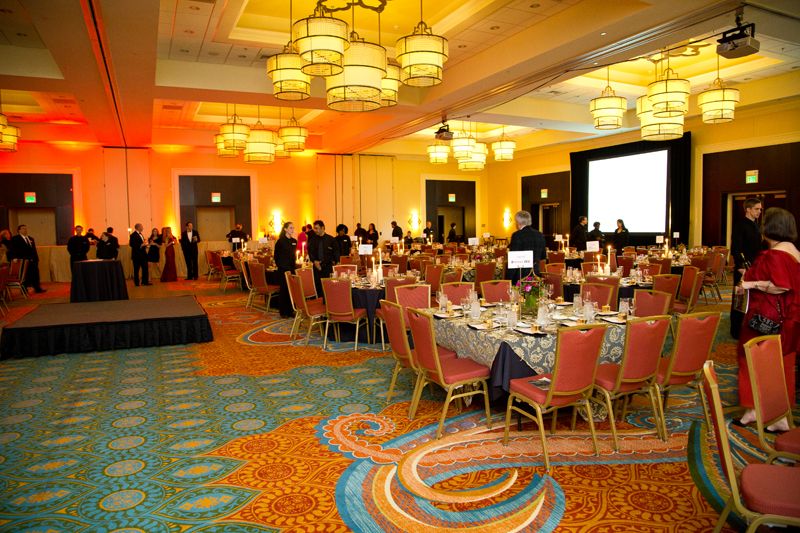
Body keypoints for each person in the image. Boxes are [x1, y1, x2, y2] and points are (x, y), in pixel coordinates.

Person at [734, 207, 799, 432]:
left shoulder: (775, 254)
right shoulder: (793, 251)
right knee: (781, 364)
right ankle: (777, 413)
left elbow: (781, 285)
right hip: (788, 317)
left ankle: (755, 409)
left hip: (767, 317)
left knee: (751, 359)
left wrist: (750, 284)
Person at [730, 198, 763, 338]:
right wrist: (741, 266)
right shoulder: (740, 225)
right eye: (756, 209)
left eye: (760, 209)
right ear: (748, 209)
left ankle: (749, 327)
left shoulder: (756, 225)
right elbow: (736, 248)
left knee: (753, 299)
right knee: (740, 300)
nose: (759, 212)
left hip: (755, 267)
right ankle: (736, 330)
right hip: (743, 268)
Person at [507, 210, 546, 285]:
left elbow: (513, 261)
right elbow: (543, 257)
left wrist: (508, 280)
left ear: (518, 222)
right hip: (535, 275)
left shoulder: (517, 235)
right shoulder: (540, 235)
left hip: (520, 277)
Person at [9, 225, 45, 293]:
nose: (25, 230)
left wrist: (36, 259)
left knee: (35, 274)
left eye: (26, 228)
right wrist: (13, 257)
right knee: (24, 275)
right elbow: (12, 249)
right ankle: (24, 289)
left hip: (32, 260)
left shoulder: (30, 238)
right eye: (23, 229)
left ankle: (37, 288)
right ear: (19, 230)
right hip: (23, 260)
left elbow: (34, 250)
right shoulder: (15, 238)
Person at [308, 220, 338, 297]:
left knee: (329, 288)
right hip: (317, 268)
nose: (315, 230)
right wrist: (315, 261)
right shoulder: (312, 240)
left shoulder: (331, 240)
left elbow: (336, 253)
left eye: (317, 228)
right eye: (314, 228)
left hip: (327, 268)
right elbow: (310, 252)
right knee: (318, 288)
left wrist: (336, 262)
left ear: (323, 228)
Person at [274, 221, 298, 318]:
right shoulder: (280, 241)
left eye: (293, 228)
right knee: (284, 290)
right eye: (291, 228)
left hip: (292, 268)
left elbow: (293, 256)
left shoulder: (294, 241)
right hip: (283, 269)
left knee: (291, 290)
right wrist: (282, 266)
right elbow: (276, 256)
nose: (292, 229)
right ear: (285, 229)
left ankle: (290, 311)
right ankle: (283, 312)